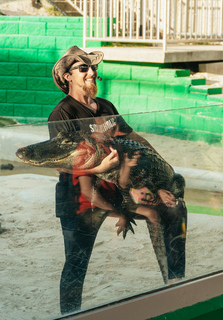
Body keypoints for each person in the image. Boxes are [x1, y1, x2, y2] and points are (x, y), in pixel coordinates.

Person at [48, 46, 186, 314]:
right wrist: (100, 166)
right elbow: (64, 165)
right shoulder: (62, 114)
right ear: (67, 77)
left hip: (119, 188)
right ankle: (70, 315)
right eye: (83, 68)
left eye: (93, 67)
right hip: (80, 197)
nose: (92, 72)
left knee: (173, 208)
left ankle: (175, 285)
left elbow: (133, 140)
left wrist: (162, 172)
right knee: (77, 262)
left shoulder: (106, 106)